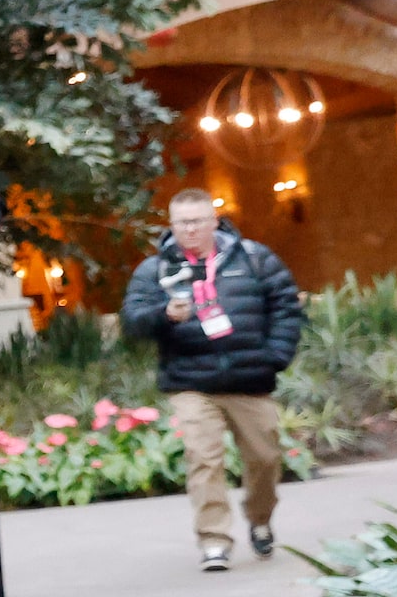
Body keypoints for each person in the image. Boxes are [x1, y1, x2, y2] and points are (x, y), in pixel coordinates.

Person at [118, 188, 302, 570]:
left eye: (198, 221)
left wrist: (276, 356)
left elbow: (285, 304)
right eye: (182, 223)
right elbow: (132, 323)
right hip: (191, 382)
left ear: (214, 221)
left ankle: (260, 519)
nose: (190, 230)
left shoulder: (253, 258)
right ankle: (214, 540)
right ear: (172, 225)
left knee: (265, 459)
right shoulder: (154, 270)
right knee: (203, 458)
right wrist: (164, 314)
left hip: (250, 378)